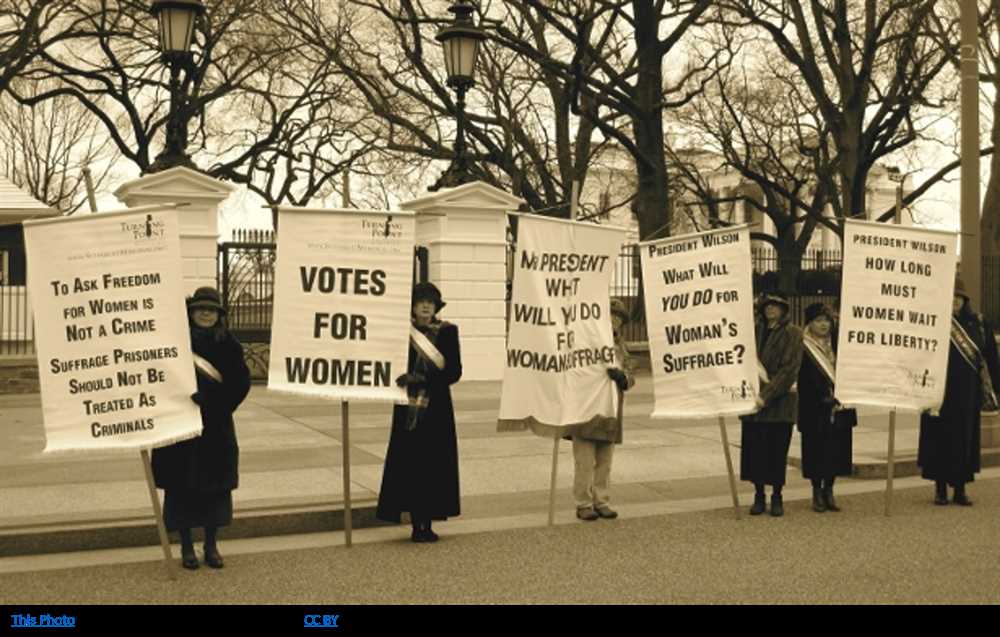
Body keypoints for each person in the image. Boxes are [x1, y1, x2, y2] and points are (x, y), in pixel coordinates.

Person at [152, 286, 251, 570]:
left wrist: (214, 403)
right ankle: (185, 546)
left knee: (215, 490)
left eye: (211, 309)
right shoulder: (173, 343)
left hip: (215, 427)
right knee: (180, 487)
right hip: (180, 425)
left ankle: (211, 545)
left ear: (219, 315)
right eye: (200, 308)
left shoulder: (230, 345)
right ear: (191, 312)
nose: (205, 313)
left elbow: (240, 385)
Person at [376, 282, 463, 542]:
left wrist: (422, 379)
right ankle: (416, 522)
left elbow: (454, 372)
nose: (426, 306)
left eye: (430, 302)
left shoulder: (448, 332)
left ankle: (429, 521)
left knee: (434, 463)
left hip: (436, 408)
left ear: (436, 306)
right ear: (413, 306)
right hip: (407, 407)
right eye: (421, 301)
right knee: (410, 463)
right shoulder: (402, 333)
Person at [918, 278, 1000, 506]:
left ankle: (961, 489)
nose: (954, 301)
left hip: (967, 394)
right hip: (938, 392)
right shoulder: (931, 323)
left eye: (958, 297)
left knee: (964, 442)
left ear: (965, 300)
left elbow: (992, 359)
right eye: (950, 296)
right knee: (938, 441)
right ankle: (940, 488)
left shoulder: (978, 323)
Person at [572, 298, 636, 521]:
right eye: (611, 317)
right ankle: (583, 502)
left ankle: (602, 500)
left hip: (611, 411)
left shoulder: (620, 347)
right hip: (586, 410)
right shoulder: (585, 343)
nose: (614, 323)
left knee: (605, 461)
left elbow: (630, 376)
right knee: (585, 462)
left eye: (618, 319)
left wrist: (623, 378)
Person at [741, 292, 803, 517]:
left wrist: (765, 396)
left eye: (776, 306)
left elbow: (789, 370)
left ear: (784, 309)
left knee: (777, 452)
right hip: (751, 403)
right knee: (754, 452)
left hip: (779, 404)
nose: (770, 310)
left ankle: (777, 496)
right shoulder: (751, 331)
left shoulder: (793, 334)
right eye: (767, 306)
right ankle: (759, 496)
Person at [797, 302, 856, 512]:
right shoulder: (803, 345)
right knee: (815, 450)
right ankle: (816, 491)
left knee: (836, 449)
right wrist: (819, 396)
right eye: (818, 321)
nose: (823, 325)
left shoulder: (841, 343)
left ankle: (829, 490)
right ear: (810, 323)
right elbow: (800, 378)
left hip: (839, 406)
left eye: (826, 321)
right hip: (814, 407)